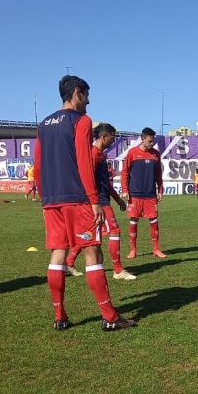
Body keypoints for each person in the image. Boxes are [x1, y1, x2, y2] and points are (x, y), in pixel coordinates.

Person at [35, 75, 135, 331]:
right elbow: (83, 159)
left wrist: (45, 197)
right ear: (77, 92)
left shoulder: (44, 124)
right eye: (87, 95)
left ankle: (60, 317)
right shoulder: (81, 120)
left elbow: (38, 165)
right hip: (78, 199)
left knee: (58, 253)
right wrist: (94, 201)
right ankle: (110, 317)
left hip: (52, 200)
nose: (89, 101)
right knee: (93, 252)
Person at [65, 123, 137, 281]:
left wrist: (117, 198)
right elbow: (86, 179)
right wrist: (94, 201)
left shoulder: (101, 155)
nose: (114, 141)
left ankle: (69, 262)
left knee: (89, 234)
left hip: (100, 200)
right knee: (114, 231)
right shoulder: (93, 154)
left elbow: (105, 182)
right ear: (104, 137)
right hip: (98, 202)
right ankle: (118, 270)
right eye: (113, 137)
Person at [120, 127, 166, 259]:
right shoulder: (132, 153)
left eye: (153, 141)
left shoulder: (156, 154)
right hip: (135, 194)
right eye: (149, 141)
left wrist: (160, 190)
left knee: (154, 221)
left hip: (150, 194)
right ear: (142, 139)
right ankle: (133, 250)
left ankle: (156, 249)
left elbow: (158, 174)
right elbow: (125, 172)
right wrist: (124, 190)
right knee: (133, 221)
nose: (151, 143)